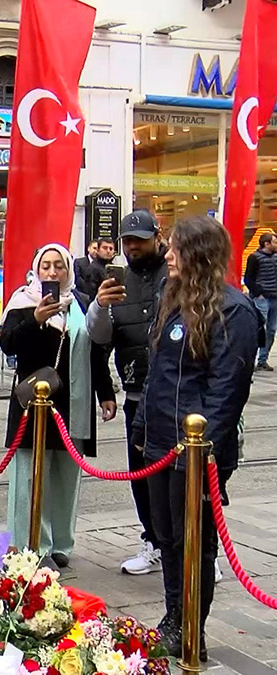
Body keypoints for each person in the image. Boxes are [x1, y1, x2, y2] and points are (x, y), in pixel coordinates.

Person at [131, 216, 260, 659]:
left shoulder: (234, 311)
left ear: (198, 254)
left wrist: (200, 454)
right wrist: (142, 426)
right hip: (160, 444)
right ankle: (174, 614)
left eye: (176, 248)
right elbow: (158, 373)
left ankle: (191, 627)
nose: (168, 255)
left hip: (196, 451)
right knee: (166, 536)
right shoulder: (174, 299)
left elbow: (226, 393)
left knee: (193, 541)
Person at [0, 243, 116, 569]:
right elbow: (7, 343)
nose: (52, 272)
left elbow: (95, 351)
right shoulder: (23, 301)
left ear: (68, 270)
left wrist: (106, 393)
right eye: (46, 266)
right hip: (32, 406)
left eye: (59, 266)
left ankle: (61, 542)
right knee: (30, 479)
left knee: (66, 478)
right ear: (37, 270)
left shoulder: (80, 304)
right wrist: (35, 320)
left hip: (71, 404)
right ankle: (32, 545)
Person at [85, 210, 168, 575]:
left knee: (182, 477)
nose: (133, 247)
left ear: (157, 238)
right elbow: (100, 338)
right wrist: (100, 306)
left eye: (140, 240)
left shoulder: (172, 273)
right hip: (136, 394)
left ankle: (198, 550)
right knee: (141, 475)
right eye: (128, 241)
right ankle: (153, 541)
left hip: (173, 394)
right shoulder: (118, 280)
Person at [243, 232, 277, 371]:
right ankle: (251, 359)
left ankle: (263, 360)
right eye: (274, 242)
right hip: (261, 298)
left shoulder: (276, 257)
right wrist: (258, 293)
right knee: (259, 329)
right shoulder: (254, 258)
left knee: (271, 330)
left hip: (275, 297)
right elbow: (248, 278)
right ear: (266, 244)